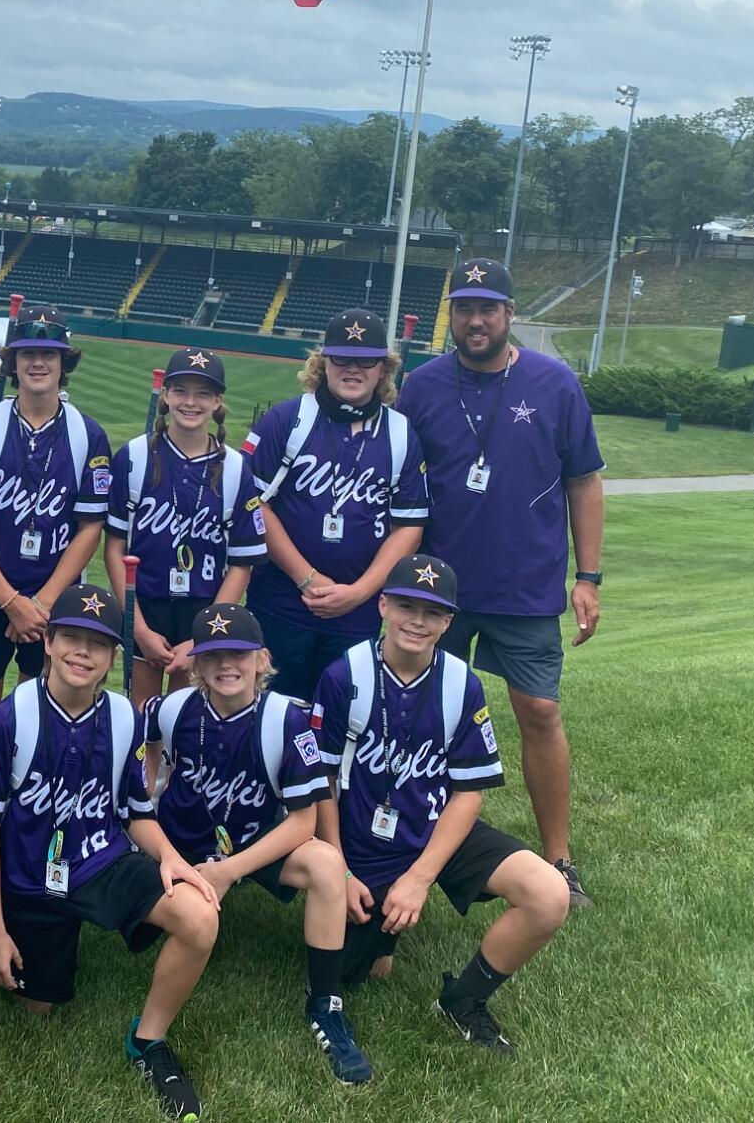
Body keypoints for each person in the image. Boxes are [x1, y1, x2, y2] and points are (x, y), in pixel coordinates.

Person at [0, 584, 222, 1122]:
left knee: (200, 917)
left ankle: (148, 1040)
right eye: (72, 639)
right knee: (39, 1006)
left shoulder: (125, 717)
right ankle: (49, 942)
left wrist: (171, 858)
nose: (83, 653)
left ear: (112, 658)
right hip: (31, 878)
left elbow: (135, 810)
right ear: (51, 643)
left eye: (98, 644)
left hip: (102, 860)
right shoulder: (11, 717)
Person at [394, 258, 605, 907]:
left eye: (488, 308)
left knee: (538, 712)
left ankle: (559, 859)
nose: (475, 320)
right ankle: (404, 845)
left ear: (510, 315)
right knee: (417, 718)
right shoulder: (423, 386)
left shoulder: (555, 383)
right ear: (450, 314)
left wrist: (588, 576)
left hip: (526, 583)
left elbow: (584, 481)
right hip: (437, 589)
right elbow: (396, 485)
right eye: (464, 307)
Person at [312, 554, 570, 1057]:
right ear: (382, 605)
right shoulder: (347, 675)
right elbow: (321, 781)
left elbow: (468, 791)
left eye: (432, 612)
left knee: (548, 894)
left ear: (449, 622)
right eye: (406, 605)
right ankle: (381, 936)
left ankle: (464, 999)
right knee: (350, 972)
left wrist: (420, 878)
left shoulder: (461, 682)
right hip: (362, 842)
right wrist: (338, 871)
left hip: (434, 830)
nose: (418, 621)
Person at [142, 602, 372, 1086]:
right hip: (182, 850)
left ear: (262, 659)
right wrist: (152, 789)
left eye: (240, 654)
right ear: (196, 664)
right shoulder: (171, 708)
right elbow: (146, 756)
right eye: (213, 655)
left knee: (327, 865)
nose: (227, 665)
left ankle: (325, 1005)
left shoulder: (288, 718)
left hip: (254, 844)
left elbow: (303, 821)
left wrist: (229, 871)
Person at [0, 312, 112, 865]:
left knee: (46, 707)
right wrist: (10, 600)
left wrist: (42, 602)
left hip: (58, 597)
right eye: (26, 353)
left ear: (65, 363)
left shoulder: (89, 435)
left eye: (49, 353)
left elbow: (91, 526)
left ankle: (32, 810)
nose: (37, 362)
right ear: (12, 362)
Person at [243, 308, 428, 701]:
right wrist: (307, 578)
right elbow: (255, 505)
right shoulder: (288, 419)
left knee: (339, 716)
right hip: (281, 602)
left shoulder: (400, 434)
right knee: (270, 712)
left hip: (356, 612)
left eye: (366, 360)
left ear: (383, 369)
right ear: (323, 363)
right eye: (341, 358)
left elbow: (408, 525)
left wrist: (360, 591)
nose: (353, 369)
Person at [106, 348, 265, 704]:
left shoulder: (237, 469)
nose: (190, 402)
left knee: (187, 723)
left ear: (218, 400)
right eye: (181, 391)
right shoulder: (134, 457)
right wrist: (139, 628)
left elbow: (242, 563)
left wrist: (204, 635)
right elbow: (115, 548)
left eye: (203, 393)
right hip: (145, 605)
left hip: (206, 610)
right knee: (141, 722)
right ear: (165, 395)